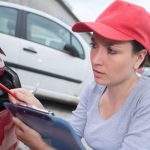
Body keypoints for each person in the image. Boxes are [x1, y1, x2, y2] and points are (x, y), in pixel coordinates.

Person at [8, 0, 150, 149]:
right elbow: (70, 138)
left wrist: (40, 146)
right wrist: (40, 113)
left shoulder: (145, 100)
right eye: (94, 45)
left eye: (111, 51)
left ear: (139, 58)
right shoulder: (94, 89)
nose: (95, 60)